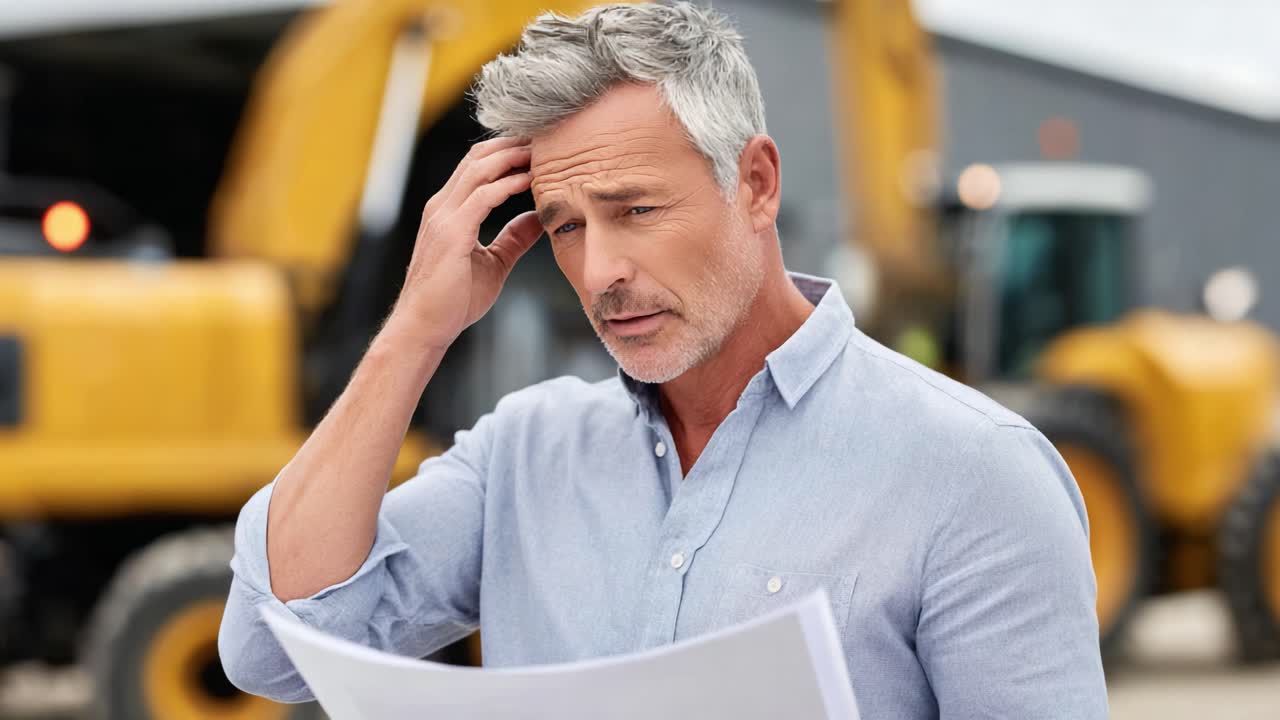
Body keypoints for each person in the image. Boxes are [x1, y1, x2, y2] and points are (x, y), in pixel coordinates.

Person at [219, 3, 1106, 717]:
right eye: (565, 226)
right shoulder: (523, 455)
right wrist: (416, 327)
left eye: (635, 209)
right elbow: (273, 645)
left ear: (755, 183)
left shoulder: (974, 472)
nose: (599, 271)